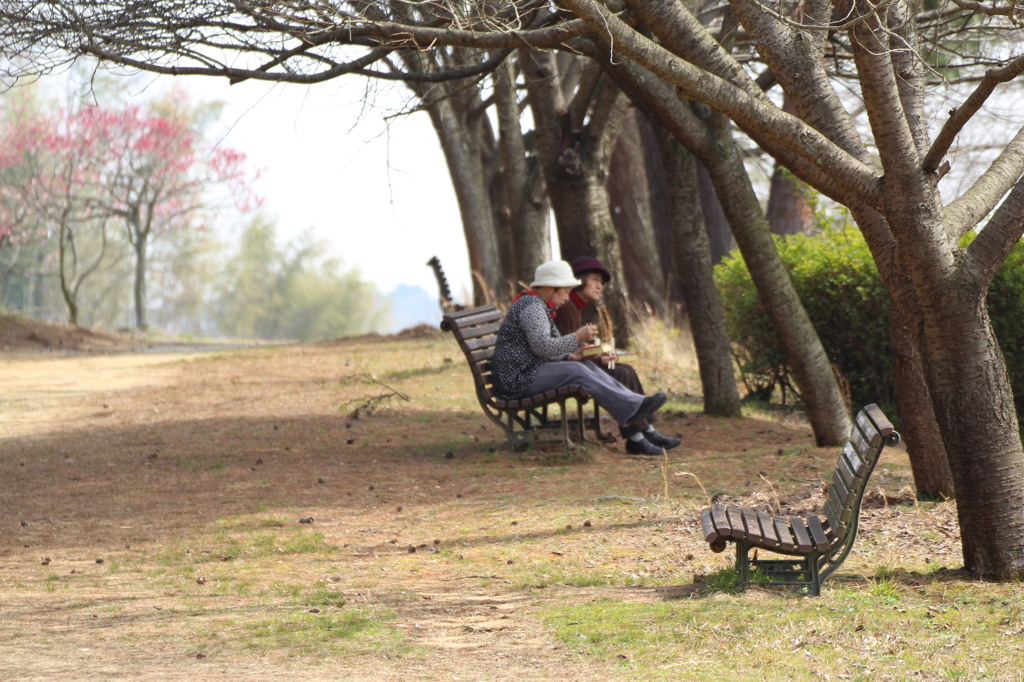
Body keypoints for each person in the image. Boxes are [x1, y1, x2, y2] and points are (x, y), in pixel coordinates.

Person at [491, 259, 668, 454]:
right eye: (565, 291)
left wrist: (571, 356)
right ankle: (632, 408)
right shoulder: (533, 307)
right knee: (577, 370)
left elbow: (541, 349)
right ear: (550, 288)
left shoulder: (539, 306)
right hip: (517, 379)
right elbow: (542, 347)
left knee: (585, 366)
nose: (568, 297)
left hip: (527, 372)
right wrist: (577, 337)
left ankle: (634, 404)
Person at [555, 256, 682, 455]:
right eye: (595, 280)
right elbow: (565, 349)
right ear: (579, 280)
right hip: (565, 370)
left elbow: (572, 345)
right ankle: (636, 438)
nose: (600, 286)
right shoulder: (567, 306)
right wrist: (597, 357)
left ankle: (646, 431)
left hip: (573, 365)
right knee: (622, 373)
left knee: (625, 369)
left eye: (602, 283)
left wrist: (600, 355)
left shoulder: (574, 306)